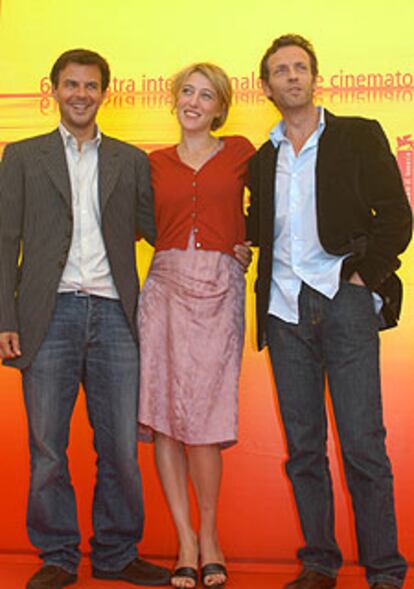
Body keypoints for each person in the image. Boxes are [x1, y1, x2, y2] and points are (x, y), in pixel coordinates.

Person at [0, 49, 170, 589]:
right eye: (70, 84)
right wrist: (5, 316)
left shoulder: (130, 159)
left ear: (104, 93)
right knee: (48, 446)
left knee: (120, 443)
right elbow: (4, 242)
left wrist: (224, 241)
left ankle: (117, 553)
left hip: (117, 315)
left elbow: (158, 229)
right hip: (47, 313)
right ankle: (57, 555)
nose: (80, 94)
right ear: (52, 90)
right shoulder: (22, 156)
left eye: (91, 85)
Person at [247, 34, 412, 589]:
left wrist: (366, 276)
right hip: (284, 311)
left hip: (344, 302)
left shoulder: (358, 135)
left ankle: (385, 571)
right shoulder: (260, 158)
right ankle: (319, 563)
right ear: (265, 85)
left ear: (315, 77)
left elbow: (397, 215)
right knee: (304, 449)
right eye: (280, 70)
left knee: (363, 443)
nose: (291, 76)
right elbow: (257, 232)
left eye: (300, 67)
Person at [137, 62, 255, 589]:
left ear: (220, 108)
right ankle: (184, 540)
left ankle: (210, 537)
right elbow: (139, 222)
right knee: (164, 417)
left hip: (219, 289)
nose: (194, 101)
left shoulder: (242, 152)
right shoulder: (152, 163)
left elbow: (281, 205)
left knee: (204, 422)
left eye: (206, 95)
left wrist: (249, 240)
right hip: (163, 289)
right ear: (175, 99)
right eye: (186, 91)